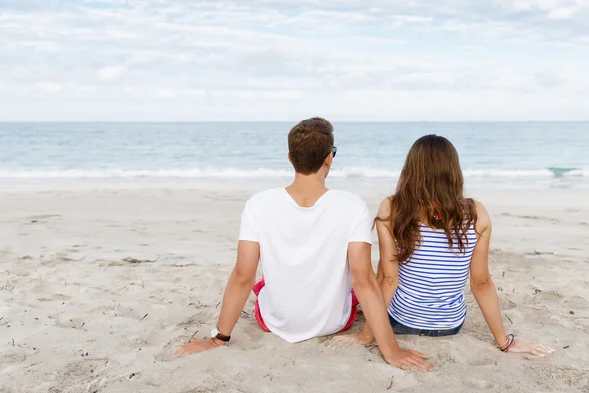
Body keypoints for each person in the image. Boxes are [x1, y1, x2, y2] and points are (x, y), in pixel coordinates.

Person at [175, 117, 433, 371]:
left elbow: (243, 275)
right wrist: (392, 351)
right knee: (356, 286)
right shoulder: (352, 206)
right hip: (334, 323)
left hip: (275, 323)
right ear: (328, 158)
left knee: (261, 284)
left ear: (290, 157)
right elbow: (363, 279)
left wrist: (218, 339)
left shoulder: (258, 204)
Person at [342, 134, 554, 357]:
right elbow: (480, 283)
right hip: (450, 325)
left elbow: (389, 279)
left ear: (410, 170)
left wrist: (366, 336)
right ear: (454, 172)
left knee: (377, 278)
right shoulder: (477, 214)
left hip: (400, 321)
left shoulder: (392, 208)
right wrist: (505, 342)